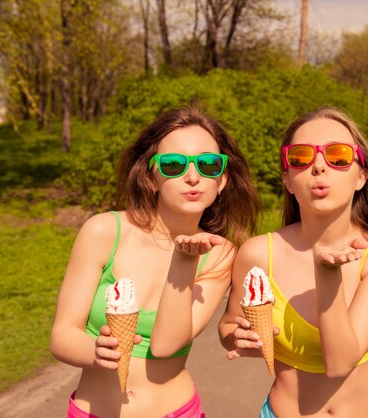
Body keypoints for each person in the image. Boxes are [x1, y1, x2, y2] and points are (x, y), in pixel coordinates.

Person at [219, 106, 368, 418]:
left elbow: (340, 362)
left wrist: (327, 275)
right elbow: (228, 325)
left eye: (338, 156)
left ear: (361, 176)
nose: (319, 166)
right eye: (301, 158)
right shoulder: (256, 254)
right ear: (288, 180)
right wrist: (234, 336)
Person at [51, 107, 259, 418]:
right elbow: (62, 335)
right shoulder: (104, 231)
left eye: (208, 165)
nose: (193, 177)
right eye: (174, 165)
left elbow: (165, 346)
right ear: (151, 178)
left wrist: (184, 261)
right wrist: (95, 352)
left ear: (223, 179)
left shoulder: (220, 253)